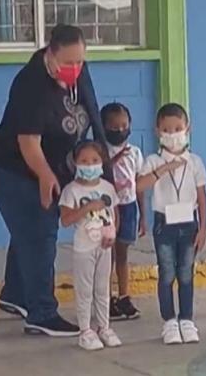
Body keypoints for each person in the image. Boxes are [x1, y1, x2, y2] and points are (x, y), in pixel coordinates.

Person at [0, 24, 107, 337]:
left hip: (53, 163)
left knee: (27, 228)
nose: (74, 69)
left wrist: (102, 164)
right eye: (68, 63)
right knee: (40, 231)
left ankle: (14, 294)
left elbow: (92, 112)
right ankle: (41, 313)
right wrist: (45, 175)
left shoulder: (79, 70)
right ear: (50, 54)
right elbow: (28, 143)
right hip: (13, 165)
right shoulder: (32, 83)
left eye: (80, 62)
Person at [135, 103, 206, 345]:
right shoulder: (153, 160)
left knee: (186, 273)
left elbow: (202, 197)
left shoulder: (195, 161)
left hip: (189, 222)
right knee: (167, 272)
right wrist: (163, 169)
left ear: (188, 128)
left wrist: (204, 228)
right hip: (164, 223)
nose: (173, 133)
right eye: (167, 129)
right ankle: (169, 321)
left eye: (178, 128)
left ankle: (187, 319)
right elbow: (139, 186)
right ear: (157, 131)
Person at [60, 141, 122, 351]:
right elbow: (66, 219)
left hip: (104, 246)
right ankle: (85, 330)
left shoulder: (107, 188)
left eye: (95, 161)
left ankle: (104, 326)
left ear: (102, 162)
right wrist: (87, 208)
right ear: (75, 163)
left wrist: (112, 235)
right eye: (84, 161)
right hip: (84, 247)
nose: (90, 165)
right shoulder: (71, 190)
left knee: (102, 288)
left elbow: (114, 214)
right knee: (85, 290)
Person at [101, 102, 146, 322]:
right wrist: (114, 160)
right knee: (106, 256)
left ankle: (124, 296)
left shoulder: (135, 153)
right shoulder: (100, 151)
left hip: (128, 207)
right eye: (114, 126)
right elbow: (97, 171)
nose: (120, 130)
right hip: (108, 209)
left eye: (124, 125)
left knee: (123, 254)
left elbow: (138, 184)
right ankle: (106, 298)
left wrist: (143, 214)